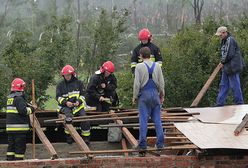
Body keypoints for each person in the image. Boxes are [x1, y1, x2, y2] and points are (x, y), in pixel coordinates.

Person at [132, 47, 165, 157]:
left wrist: (135, 96)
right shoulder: (157, 66)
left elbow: (137, 84)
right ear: (150, 55)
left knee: (143, 121)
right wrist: (162, 95)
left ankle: (142, 145)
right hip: (155, 95)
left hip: (144, 96)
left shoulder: (139, 66)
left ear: (141, 55)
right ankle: (160, 144)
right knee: (157, 120)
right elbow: (161, 82)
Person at [56, 65, 90, 144]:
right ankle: (69, 137)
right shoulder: (60, 85)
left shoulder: (79, 83)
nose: (67, 77)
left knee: (85, 119)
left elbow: (83, 95)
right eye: (65, 75)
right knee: (69, 119)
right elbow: (58, 97)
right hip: (65, 107)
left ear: (72, 74)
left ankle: (86, 138)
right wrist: (66, 102)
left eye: (68, 75)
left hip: (78, 107)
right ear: (63, 76)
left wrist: (79, 101)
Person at [6, 78, 36, 161]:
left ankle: (9, 163)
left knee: (11, 148)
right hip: (19, 130)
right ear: (21, 88)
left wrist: (27, 104)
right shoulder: (19, 99)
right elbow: (23, 111)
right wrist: (32, 109)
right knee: (20, 149)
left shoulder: (10, 99)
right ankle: (18, 163)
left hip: (10, 130)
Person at [215, 26, 245, 106]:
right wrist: (222, 63)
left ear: (225, 33)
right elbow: (223, 53)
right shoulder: (224, 41)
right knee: (223, 85)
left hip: (233, 67)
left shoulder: (230, 40)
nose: (220, 37)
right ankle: (219, 103)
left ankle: (239, 103)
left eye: (220, 35)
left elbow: (229, 54)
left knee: (235, 85)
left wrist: (222, 62)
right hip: (226, 67)